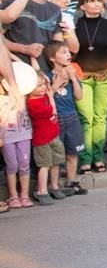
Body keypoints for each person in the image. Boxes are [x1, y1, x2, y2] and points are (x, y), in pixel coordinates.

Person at [73, 0, 107, 174]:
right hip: (82, 77)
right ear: (82, 5)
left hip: (105, 75)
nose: (97, 4)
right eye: (92, 1)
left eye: (99, 1)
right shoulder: (75, 25)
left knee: (100, 117)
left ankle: (98, 156)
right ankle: (85, 158)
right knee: (86, 118)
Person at [2, 0, 78, 72]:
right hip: (18, 69)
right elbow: (0, 40)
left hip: (46, 71)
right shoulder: (13, 5)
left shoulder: (55, 9)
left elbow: (57, 45)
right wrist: (24, 49)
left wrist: (61, 68)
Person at [47, 41, 86, 195]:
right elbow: (46, 95)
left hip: (72, 117)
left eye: (68, 52)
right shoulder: (47, 76)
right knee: (56, 154)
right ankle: (53, 185)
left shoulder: (72, 74)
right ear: (52, 58)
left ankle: (71, 182)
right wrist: (55, 84)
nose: (68, 55)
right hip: (56, 118)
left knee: (72, 152)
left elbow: (79, 96)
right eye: (63, 52)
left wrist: (74, 79)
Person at [28, 71, 69, 200]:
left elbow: (44, 79)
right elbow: (52, 110)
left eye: (44, 84)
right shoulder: (32, 103)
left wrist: (47, 83)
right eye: (39, 85)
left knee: (56, 162)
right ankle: (42, 190)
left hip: (53, 135)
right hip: (42, 139)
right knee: (44, 165)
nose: (44, 87)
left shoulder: (44, 94)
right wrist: (51, 97)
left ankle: (54, 185)